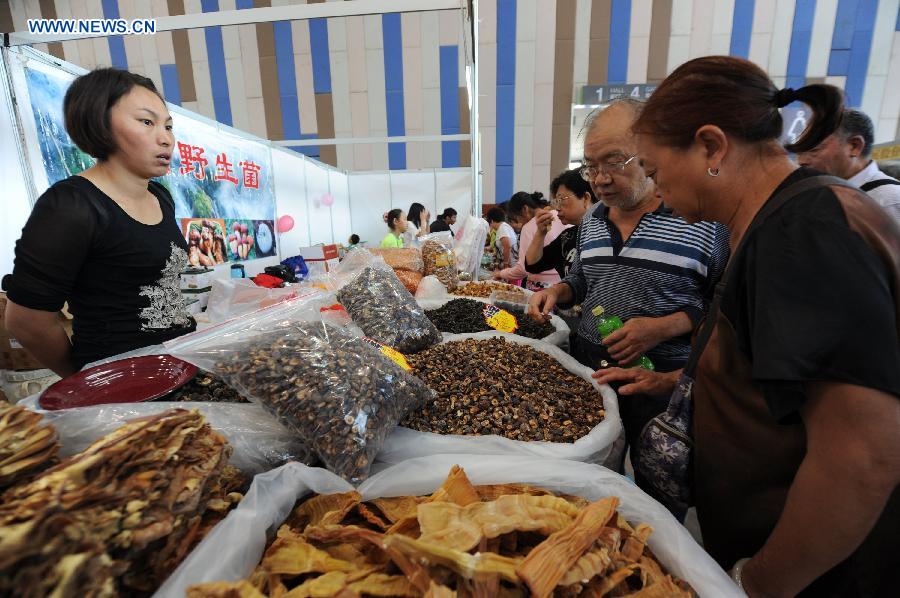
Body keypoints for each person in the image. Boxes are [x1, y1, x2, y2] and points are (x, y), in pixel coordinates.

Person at [626, 56, 899, 597]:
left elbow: (864, 454)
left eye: (655, 172)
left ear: (711, 145)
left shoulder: (803, 232)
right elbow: (791, 374)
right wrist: (681, 386)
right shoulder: (783, 217)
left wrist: (759, 582)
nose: (656, 195)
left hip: (815, 575)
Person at [527, 99, 730, 501]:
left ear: (651, 154)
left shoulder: (703, 222)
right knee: (590, 483)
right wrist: (556, 290)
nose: (599, 179)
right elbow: (582, 281)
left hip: (662, 382)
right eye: (590, 166)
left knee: (660, 492)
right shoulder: (594, 221)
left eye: (614, 162)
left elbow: (723, 312)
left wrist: (666, 326)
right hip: (590, 373)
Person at [4, 68, 196, 378]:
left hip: (178, 368)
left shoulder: (161, 197)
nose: (166, 139)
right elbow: (26, 320)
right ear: (100, 123)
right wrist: (84, 377)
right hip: (119, 388)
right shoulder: (70, 206)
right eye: (147, 122)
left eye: (168, 126)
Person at [797, 108, 900, 224]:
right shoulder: (815, 193)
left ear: (854, 146)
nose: (801, 161)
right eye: (800, 152)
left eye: (814, 149)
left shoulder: (890, 200)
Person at [525, 168, 598, 279]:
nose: (557, 208)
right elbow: (532, 265)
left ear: (586, 198)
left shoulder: (604, 235)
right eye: (556, 201)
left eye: (562, 200)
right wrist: (540, 233)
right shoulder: (567, 237)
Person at [495, 191, 569, 290]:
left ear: (525, 209)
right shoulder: (560, 216)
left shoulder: (528, 227)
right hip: (566, 285)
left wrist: (501, 273)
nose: (519, 223)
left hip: (541, 286)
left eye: (517, 218)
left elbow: (523, 269)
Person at [485, 207, 519, 273]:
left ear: (491, 221)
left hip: (510, 266)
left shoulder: (502, 228)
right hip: (510, 265)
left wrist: (505, 264)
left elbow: (507, 246)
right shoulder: (503, 227)